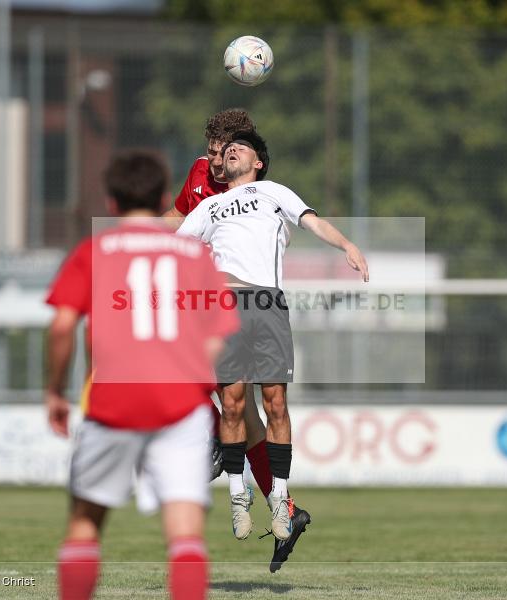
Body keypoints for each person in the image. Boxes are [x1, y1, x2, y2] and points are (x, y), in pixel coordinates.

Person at [45, 150, 238, 600]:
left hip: (113, 398)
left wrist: (54, 391)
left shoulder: (94, 250)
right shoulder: (192, 253)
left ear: (111, 202)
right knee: (185, 533)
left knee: (85, 524)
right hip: (181, 405)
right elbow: (221, 332)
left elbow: (60, 327)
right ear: (161, 198)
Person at [178, 129, 369, 547]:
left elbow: (312, 221)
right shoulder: (210, 205)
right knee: (231, 403)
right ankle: (236, 495)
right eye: (224, 151)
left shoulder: (272, 193)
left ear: (258, 162)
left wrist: (347, 244)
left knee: (275, 403)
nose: (229, 153)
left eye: (237, 149)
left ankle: (281, 500)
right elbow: (172, 249)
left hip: (267, 304)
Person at [165, 108, 309, 572]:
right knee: (240, 411)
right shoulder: (201, 175)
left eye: (219, 154)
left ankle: (216, 445)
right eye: (208, 154)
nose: (211, 163)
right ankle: (285, 507)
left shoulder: (249, 189)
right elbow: (178, 215)